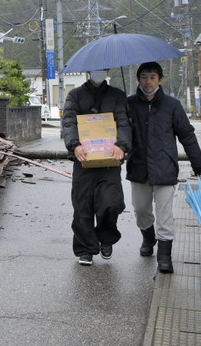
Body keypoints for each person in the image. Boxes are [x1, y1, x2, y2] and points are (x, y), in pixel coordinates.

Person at [126, 62, 201, 274]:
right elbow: (119, 133)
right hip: (139, 166)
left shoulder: (172, 105)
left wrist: (196, 160)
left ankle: (165, 257)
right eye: (143, 77)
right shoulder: (129, 104)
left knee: (165, 213)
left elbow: (186, 134)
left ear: (159, 79)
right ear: (138, 79)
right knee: (141, 210)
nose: (147, 81)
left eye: (152, 77)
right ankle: (148, 238)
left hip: (165, 167)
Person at [62, 69, 131, 266]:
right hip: (83, 160)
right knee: (82, 205)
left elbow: (124, 122)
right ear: (88, 71)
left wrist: (121, 145)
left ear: (107, 71)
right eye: (95, 69)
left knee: (111, 203)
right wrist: (74, 145)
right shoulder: (75, 95)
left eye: (103, 69)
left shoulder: (117, 95)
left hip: (110, 160)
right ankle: (85, 249)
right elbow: (68, 121)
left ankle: (106, 238)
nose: (99, 72)